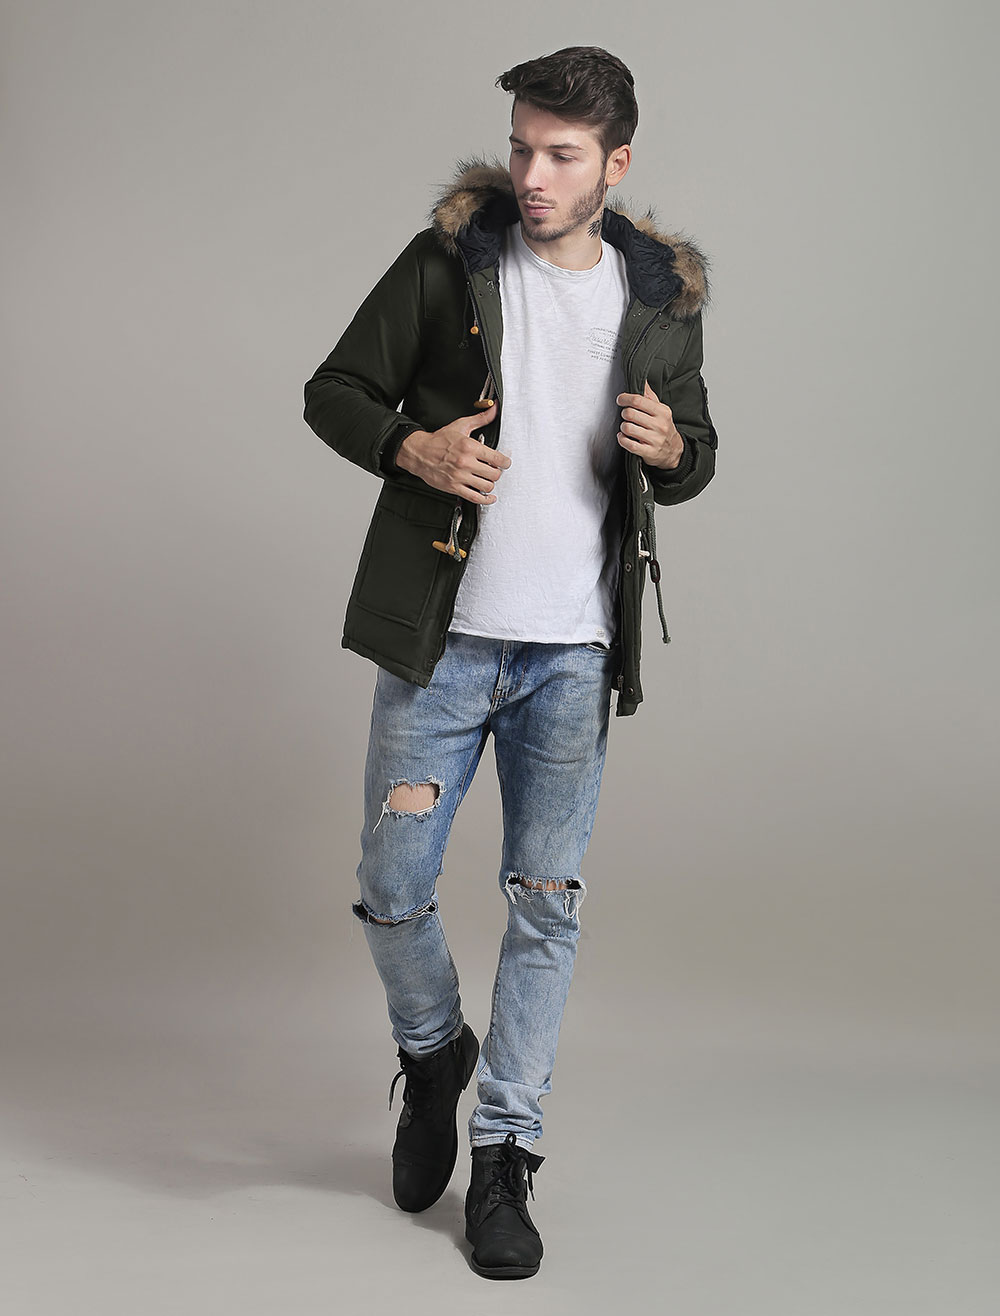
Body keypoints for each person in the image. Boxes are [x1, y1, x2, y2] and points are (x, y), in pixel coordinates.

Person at [302, 45, 718, 1280]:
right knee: (392, 883)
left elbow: (694, 451)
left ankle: (504, 1152)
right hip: (442, 643)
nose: (532, 175)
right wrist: (413, 448)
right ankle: (435, 1050)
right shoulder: (449, 264)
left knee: (546, 906)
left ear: (615, 163)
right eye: (522, 147)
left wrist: (671, 448)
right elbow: (335, 390)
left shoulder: (657, 298)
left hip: (571, 655)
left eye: (562, 155)